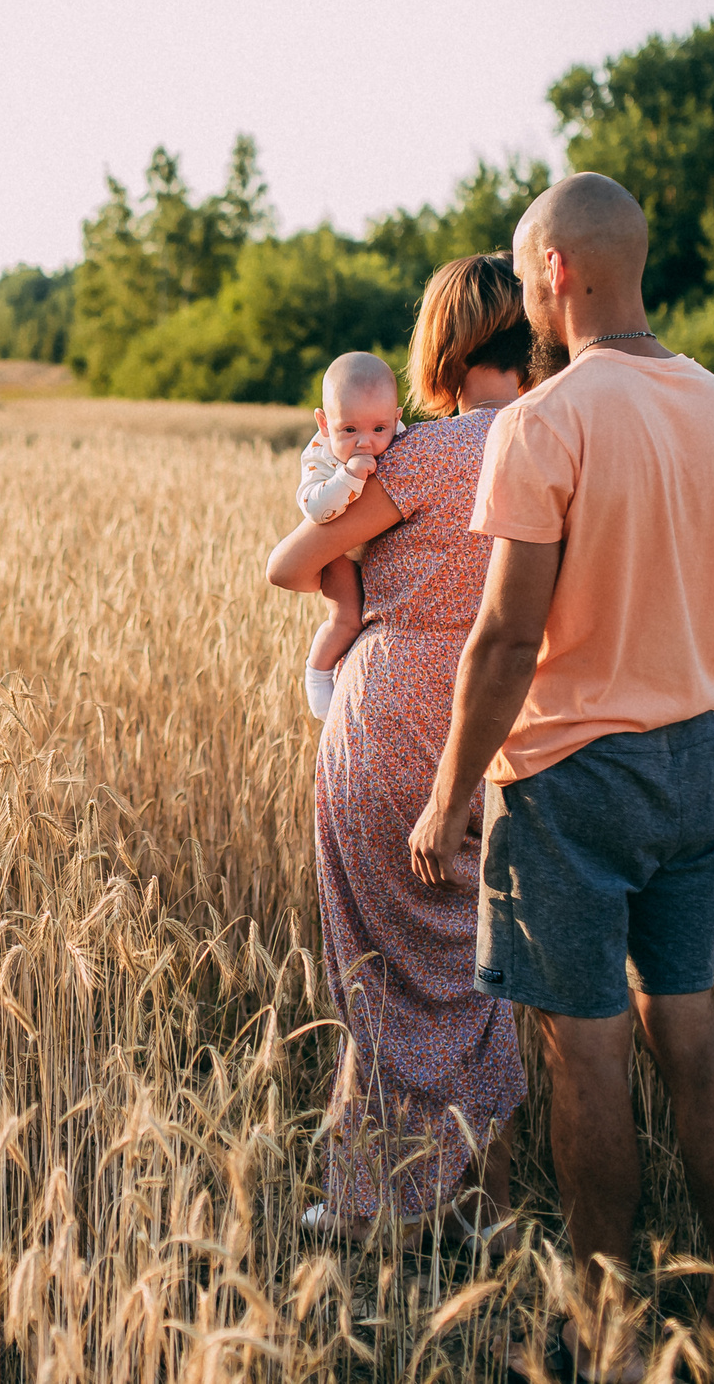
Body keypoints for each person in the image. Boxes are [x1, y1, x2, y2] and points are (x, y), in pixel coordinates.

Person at [406, 173, 714, 1380]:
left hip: (569, 780)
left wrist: (451, 789)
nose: (521, 296)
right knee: (695, 1031)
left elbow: (508, 636)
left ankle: (607, 1341)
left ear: (558, 272)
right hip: (696, 761)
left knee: (591, 1054)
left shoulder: (543, 421)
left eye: (523, 272)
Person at [264, 255, 535, 1247]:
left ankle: (371, 1203)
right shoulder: (561, 439)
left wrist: (353, 570)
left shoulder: (416, 457)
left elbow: (287, 563)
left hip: (382, 720)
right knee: (487, 971)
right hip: (505, 722)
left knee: (374, 971)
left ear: (442, 345)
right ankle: (487, 1210)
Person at [295, 353, 405, 720]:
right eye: (349, 430)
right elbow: (314, 508)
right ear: (324, 424)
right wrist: (349, 477)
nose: (365, 443)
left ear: (397, 419)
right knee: (346, 619)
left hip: (378, 546)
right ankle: (318, 673)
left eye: (379, 429)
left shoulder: (403, 443)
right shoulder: (319, 456)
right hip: (338, 552)